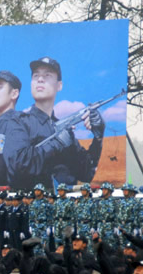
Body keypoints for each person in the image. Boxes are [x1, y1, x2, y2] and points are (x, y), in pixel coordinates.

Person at [9, 57, 106, 189]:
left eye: (47, 75)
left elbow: (86, 174)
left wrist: (98, 137)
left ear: (59, 85)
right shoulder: (19, 122)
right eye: (36, 75)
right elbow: (18, 167)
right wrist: (55, 144)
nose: (40, 79)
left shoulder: (66, 131)